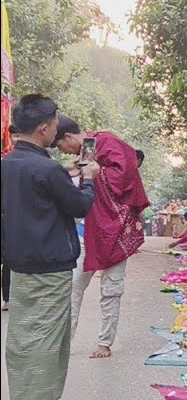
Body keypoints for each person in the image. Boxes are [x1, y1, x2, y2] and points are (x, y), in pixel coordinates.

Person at [1, 94, 99, 400]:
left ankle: (22, 398)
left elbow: (44, 185)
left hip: (20, 261)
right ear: (43, 128)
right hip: (51, 260)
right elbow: (79, 206)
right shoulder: (46, 168)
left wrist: (69, 171)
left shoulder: (9, 164)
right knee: (48, 334)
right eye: (55, 124)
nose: (57, 130)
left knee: (23, 332)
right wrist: (88, 180)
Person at [53, 116, 150, 359]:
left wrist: (96, 173)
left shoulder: (105, 141)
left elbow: (124, 174)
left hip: (115, 227)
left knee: (111, 289)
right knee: (73, 285)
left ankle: (105, 343)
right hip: (90, 229)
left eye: (59, 146)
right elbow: (85, 180)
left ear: (67, 137)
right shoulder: (87, 150)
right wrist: (75, 172)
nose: (61, 151)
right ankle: (64, 343)